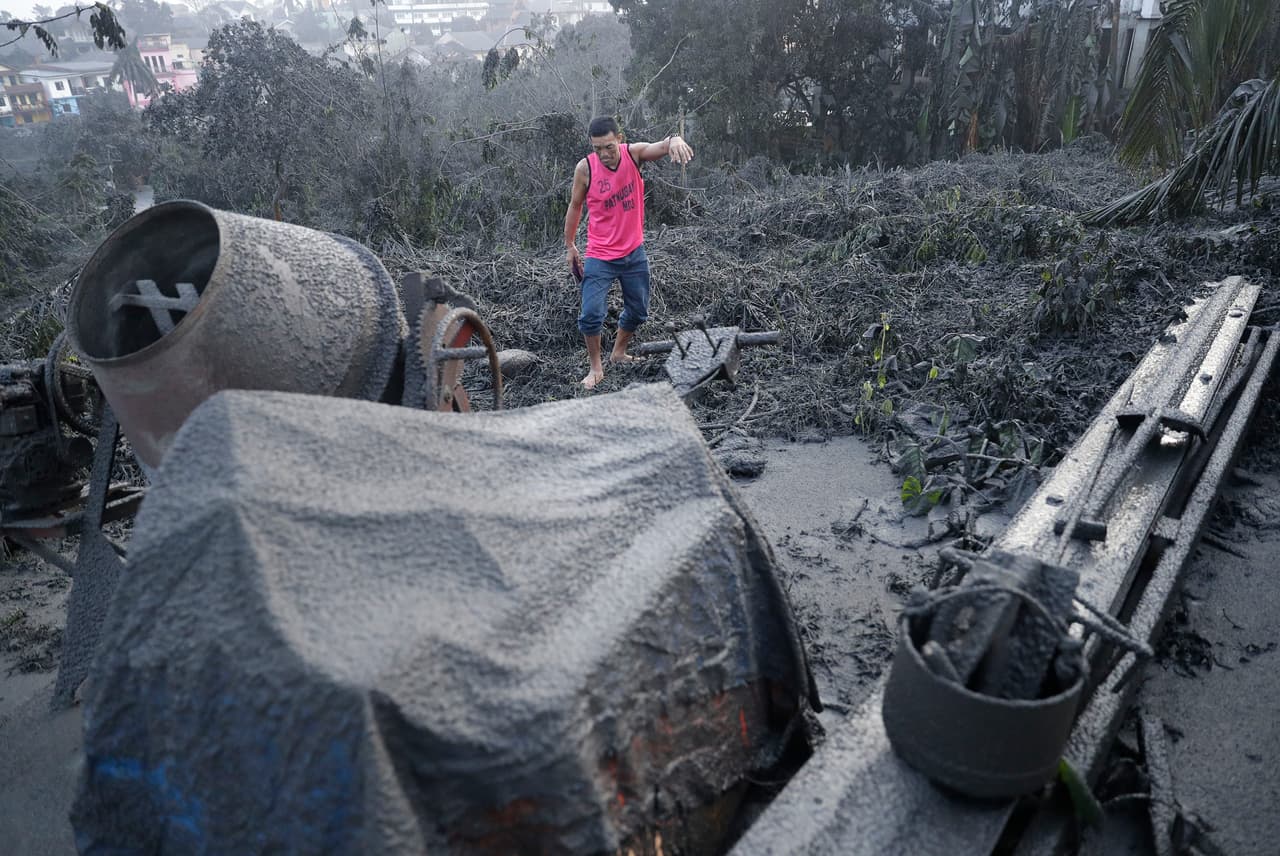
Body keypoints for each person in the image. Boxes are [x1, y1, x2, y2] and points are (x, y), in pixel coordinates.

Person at [564, 116, 694, 389]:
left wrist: (675, 139)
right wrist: (571, 245)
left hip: (634, 253)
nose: (604, 154)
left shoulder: (634, 155)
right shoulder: (585, 169)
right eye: (598, 148)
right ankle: (596, 368)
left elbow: (659, 146)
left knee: (638, 310)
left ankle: (618, 352)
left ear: (620, 140)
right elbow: (575, 206)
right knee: (590, 314)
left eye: (609, 146)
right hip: (600, 254)